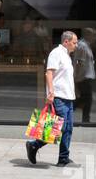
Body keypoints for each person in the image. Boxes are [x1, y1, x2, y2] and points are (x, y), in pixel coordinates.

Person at [27, 30, 78, 168]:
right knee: (59, 128)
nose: (76, 45)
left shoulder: (67, 55)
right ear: (66, 42)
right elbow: (49, 73)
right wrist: (50, 93)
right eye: (74, 42)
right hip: (59, 97)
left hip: (68, 97)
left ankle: (63, 158)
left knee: (68, 129)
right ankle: (34, 145)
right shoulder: (56, 53)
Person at [71, 27, 96, 123]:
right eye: (73, 42)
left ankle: (86, 121)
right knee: (82, 101)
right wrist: (77, 79)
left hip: (84, 78)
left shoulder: (85, 46)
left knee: (86, 101)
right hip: (83, 79)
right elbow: (78, 63)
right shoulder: (82, 46)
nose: (75, 45)